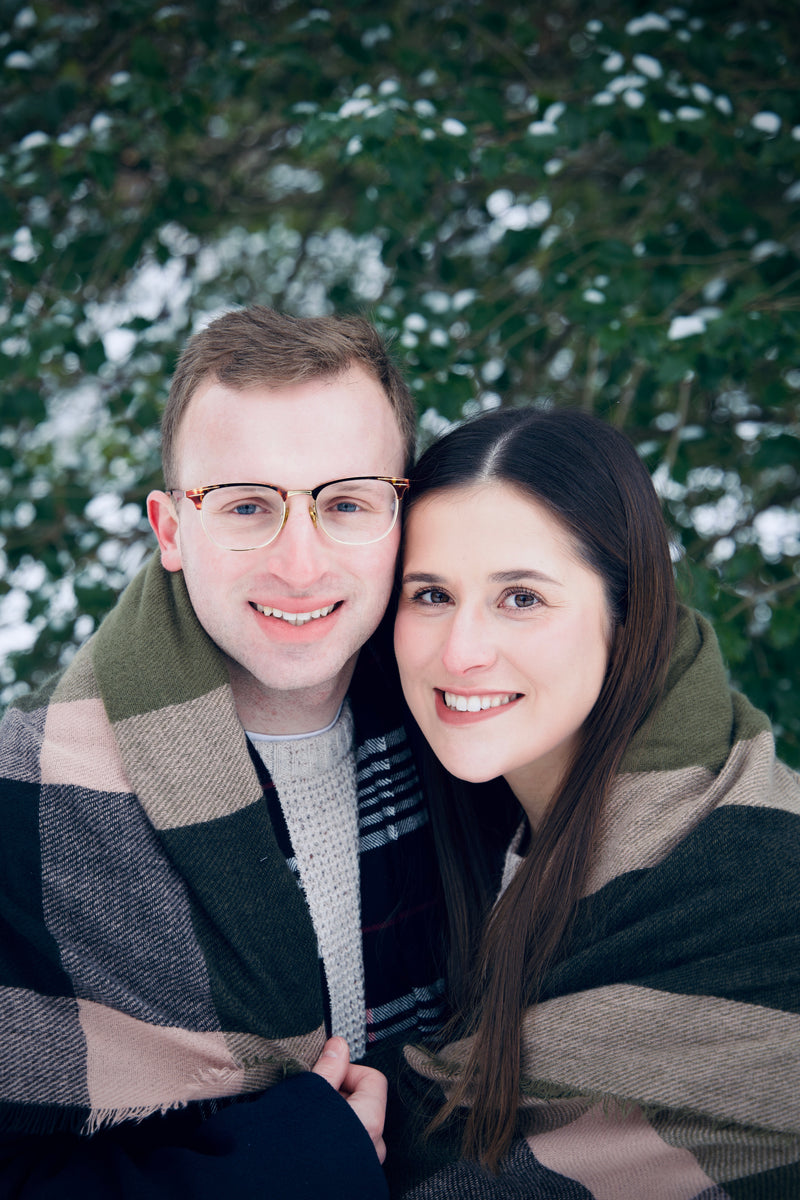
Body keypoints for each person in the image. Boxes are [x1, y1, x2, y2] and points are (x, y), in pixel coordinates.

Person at [0, 306, 445, 1198]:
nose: (299, 564)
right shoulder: (23, 798)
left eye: (346, 504)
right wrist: (280, 1169)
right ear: (170, 530)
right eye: (246, 506)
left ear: (404, 518)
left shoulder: (480, 754)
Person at [390, 407, 800, 1198]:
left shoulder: (758, 886)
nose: (461, 651)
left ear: (626, 613)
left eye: (521, 599)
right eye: (431, 594)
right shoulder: (466, 835)